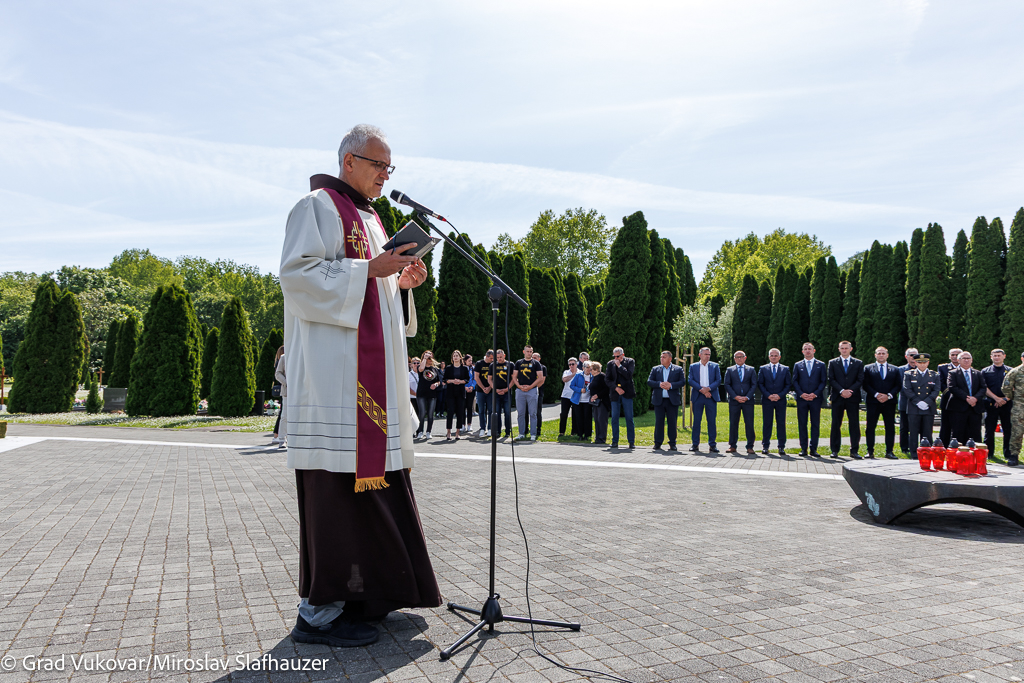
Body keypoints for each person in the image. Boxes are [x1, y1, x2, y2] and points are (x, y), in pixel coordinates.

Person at [279, 124, 439, 647]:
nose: (385, 175)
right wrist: (370, 269)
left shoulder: (372, 218)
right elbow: (297, 277)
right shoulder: (316, 207)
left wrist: (400, 281)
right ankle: (318, 615)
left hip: (373, 384)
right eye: (378, 165)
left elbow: (373, 287)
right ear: (349, 161)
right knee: (335, 499)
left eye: (390, 167)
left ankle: (368, 598)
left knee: (379, 489)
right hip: (334, 385)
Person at [862, 346, 901, 459]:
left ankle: (889, 451)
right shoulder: (868, 368)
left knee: (890, 427)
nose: (881, 355)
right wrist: (876, 394)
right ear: (875, 355)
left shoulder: (895, 369)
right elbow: (865, 384)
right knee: (870, 427)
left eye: (883, 353)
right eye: (879, 353)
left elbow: (898, 385)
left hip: (889, 402)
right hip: (873, 402)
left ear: (887, 355)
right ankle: (870, 451)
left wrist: (888, 396)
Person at [827, 341, 864, 458]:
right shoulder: (833, 362)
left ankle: (854, 450)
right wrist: (842, 391)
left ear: (851, 349)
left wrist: (850, 391)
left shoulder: (858, 363)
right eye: (842, 348)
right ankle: (834, 450)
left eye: (846, 348)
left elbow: (860, 379)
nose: (844, 350)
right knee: (836, 424)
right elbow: (831, 379)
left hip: (853, 398)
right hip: (838, 397)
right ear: (839, 349)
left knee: (854, 424)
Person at [902, 353, 940, 458]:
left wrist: (927, 402)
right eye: (919, 362)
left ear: (928, 363)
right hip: (914, 407)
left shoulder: (934, 375)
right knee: (913, 432)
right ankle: (914, 453)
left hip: (928, 407)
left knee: (927, 431)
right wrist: (918, 402)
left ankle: (927, 453)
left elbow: (936, 390)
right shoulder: (909, 374)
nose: (922, 364)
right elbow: (907, 389)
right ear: (915, 363)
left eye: (924, 362)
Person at [792, 342, 826, 457]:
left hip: (815, 399)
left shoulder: (821, 365)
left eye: (809, 349)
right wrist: (801, 394)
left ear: (814, 351)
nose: (807, 351)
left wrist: (815, 394)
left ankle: (813, 448)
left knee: (815, 424)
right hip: (802, 399)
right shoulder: (798, 365)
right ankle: (803, 448)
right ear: (802, 351)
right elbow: (795, 381)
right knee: (802, 424)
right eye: (805, 349)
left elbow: (823, 381)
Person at [647, 350, 684, 451]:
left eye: (664, 357)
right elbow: (649, 381)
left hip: (672, 401)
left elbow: (682, 382)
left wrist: (670, 385)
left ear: (670, 359)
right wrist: (660, 384)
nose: (661, 359)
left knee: (672, 422)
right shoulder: (655, 369)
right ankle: (657, 443)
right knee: (659, 422)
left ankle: (672, 443)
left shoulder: (678, 369)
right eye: (661, 357)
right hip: (659, 400)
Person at [756, 348, 790, 455]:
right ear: (769, 357)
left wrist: (779, 395)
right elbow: (760, 384)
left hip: (780, 400)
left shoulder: (785, 369)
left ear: (779, 357)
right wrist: (768, 395)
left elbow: (788, 384)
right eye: (772, 355)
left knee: (781, 423)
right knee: (767, 423)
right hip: (767, 400)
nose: (774, 357)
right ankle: (765, 446)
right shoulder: (763, 369)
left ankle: (781, 446)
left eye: (776, 355)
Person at [947, 351, 985, 443]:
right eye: (964, 358)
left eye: (968, 358)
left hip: (975, 408)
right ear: (958, 360)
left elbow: (983, 388)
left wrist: (975, 398)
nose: (966, 360)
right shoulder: (953, 373)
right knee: (958, 433)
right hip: (959, 408)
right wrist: (967, 398)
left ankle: (974, 451)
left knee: (975, 433)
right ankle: (959, 451)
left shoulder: (977, 373)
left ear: (971, 360)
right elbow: (952, 387)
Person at [688, 347, 721, 453]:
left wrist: (708, 389)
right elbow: (690, 380)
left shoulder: (715, 366)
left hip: (711, 396)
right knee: (696, 421)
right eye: (705, 354)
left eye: (709, 354)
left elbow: (718, 380)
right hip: (698, 396)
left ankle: (712, 445)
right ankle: (695, 444)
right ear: (700, 355)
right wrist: (702, 390)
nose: (707, 356)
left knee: (711, 421)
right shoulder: (693, 366)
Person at [981, 348, 1012, 461]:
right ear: (991, 357)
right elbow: (984, 387)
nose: (997, 357)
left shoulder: (1011, 371)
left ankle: (1008, 453)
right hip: (991, 404)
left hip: (1007, 404)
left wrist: (1004, 399)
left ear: (1004, 356)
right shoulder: (985, 371)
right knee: (989, 429)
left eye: (999, 355)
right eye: (994, 355)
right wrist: (996, 399)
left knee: (1008, 429)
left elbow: (1014, 387)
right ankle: (989, 453)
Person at [723, 350, 756, 454]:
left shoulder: (751, 369)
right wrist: (735, 397)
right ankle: (732, 446)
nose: (739, 358)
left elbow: (754, 384)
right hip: (734, 401)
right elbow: (727, 384)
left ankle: (750, 446)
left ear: (745, 358)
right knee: (733, 423)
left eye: (741, 356)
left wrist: (747, 397)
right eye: (737, 357)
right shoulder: (730, 370)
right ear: (734, 359)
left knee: (749, 423)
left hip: (748, 401)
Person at [607, 347, 637, 449]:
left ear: (622, 355)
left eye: (618, 356)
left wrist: (619, 366)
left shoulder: (630, 362)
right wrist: (616, 388)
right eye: (614, 356)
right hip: (615, 394)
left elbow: (628, 375)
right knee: (614, 418)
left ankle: (631, 441)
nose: (616, 358)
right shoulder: (610, 364)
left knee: (629, 418)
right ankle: (615, 441)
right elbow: (607, 379)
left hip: (627, 393)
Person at [513, 346, 544, 440]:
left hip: (532, 390)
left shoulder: (536, 363)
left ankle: (533, 434)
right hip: (520, 390)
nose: (529, 353)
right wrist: (519, 386)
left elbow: (540, 377)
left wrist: (530, 386)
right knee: (521, 413)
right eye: (528, 351)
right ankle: (521, 433)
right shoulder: (519, 362)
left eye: (531, 351)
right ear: (524, 352)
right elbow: (514, 376)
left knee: (533, 413)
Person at [999, 351, 1024, 467]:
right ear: (1022, 359)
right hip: (1019, 406)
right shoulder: (1015, 372)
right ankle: (1014, 455)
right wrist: (1013, 397)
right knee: (1017, 432)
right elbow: (1006, 387)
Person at [937, 348, 963, 445]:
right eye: (952, 355)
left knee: (960, 425)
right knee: (945, 426)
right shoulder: (943, 368)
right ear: (949, 356)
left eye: (957, 355)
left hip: (962, 401)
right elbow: (941, 383)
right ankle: (944, 446)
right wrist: (952, 395)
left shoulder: (966, 367)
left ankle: (959, 445)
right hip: (947, 400)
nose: (955, 357)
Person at [896, 347, 918, 454]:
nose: (913, 358)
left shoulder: (922, 368)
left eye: (915, 355)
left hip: (919, 403)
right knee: (904, 427)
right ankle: (904, 448)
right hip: (905, 401)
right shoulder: (900, 370)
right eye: (911, 355)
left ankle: (916, 446)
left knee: (917, 426)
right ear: (906, 357)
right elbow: (900, 386)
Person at [443, 350, 470, 440]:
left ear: (460, 357)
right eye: (454, 356)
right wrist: (451, 381)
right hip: (450, 392)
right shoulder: (448, 368)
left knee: (460, 412)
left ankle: (458, 432)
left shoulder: (464, 368)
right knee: (450, 411)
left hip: (460, 392)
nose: (455, 357)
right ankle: (448, 431)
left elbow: (467, 379)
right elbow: (445, 379)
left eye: (457, 355)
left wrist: (460, 381)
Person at [416, 352, 441, 439]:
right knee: (422, 413)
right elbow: (421, 369)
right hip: (421, 393)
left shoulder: (434, 369)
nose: (430, 360)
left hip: (432, 394)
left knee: (430, 413)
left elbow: (438, 381)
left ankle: (428, 431)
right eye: (428, 358)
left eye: (431, 358)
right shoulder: (420, 366)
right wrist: (425, 358)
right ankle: (420, 431)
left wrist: (436, 385)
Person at [570, 361, 594, 441]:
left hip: (588, 401)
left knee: (587, 418)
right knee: (579, 417)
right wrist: (580, 390)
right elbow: (572, 385)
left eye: (590, 368)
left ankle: (587, 434)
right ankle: (580, 434)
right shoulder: (578, 375)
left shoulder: (592, 376)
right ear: (583, 368)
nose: (589, 369)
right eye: (587, 367)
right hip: (578, 400)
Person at [492, 349, 514, 437]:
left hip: (507, 393)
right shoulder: (493, 365)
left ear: (504, 356)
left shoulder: (510, 364)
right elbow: (489, 379)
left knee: (507, 413)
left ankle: (508, 431)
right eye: (497, 357)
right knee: (497, 412)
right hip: (496, 393)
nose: (499, 359)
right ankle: (498, 431)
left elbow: (513, 378)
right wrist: (495, 389)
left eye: (501, 357)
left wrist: (507, 389)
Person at [474, 350, 494, 438]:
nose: (492, 360)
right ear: (487, 356)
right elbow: (476, 377)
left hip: (491, 390)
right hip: (480, 390)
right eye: (491, 358)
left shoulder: (493, 364)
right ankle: (482, 428)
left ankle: (490, 428)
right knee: (481, 410)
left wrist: (489, 387)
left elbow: (494, 377)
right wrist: (483, 388)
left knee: (491, 410)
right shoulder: (479, 364)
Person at [559, 358, 581, 436]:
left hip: (575, 395)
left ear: (576, 364)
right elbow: (564, 379)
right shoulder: (566, 372)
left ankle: (574, 432)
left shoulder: (580, 372)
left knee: (575, 414)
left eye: (573, 364)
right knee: (564, 414)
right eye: (570, 364)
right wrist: (573, 374)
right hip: (566, 396)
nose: (571, 366)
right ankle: (562, 432)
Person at [590, 361, 610, 444]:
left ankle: (602, 438)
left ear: (596, 369)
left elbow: (606, 389)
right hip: (595, 402)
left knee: (601, 420)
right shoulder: (594, 377)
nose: (590, 371)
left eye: (591, 369)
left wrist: (597, 395)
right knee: (597, 419)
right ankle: (597, 437)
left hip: (602, 402)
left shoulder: (602, 377)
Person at [273, 346, 287, 448]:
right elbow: (278, 374)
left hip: (301, 391)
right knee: (285, 416)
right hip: (287, 392)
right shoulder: (284, 357)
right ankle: (282, 439)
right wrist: (286, 382)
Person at [533, 351, 547, 436]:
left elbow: (542, 380)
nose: (534, 359)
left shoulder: (543, 367)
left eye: (535, 358)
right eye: (533, 357)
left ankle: (538, 429)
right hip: (528, 391)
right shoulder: (529, 366)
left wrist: (532, 388)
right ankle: (526, 429)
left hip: (538, 392)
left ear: (539, 359)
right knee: (527, 411)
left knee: (538, 412)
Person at [463, 354, 475, 434]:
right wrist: (465, 387)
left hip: (471, 389)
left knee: (469, 407)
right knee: (462, 407)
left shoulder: (473, 368)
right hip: (463, 389)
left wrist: (472, 386)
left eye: (471, 360)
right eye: (469, 361)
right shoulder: (462, 368)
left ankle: (469, 424)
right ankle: (462, 424)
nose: (470, 362)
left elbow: (475, 378)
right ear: (465, 361)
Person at [408, 357, 419, 432]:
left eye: (418, 363)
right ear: (411, 365)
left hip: (421, 397)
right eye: (414, 363)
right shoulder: (408, 374)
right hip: (412, 397)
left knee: (420, 414)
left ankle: (419, 431)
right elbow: (407, 387)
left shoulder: (422, 374)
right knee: (413, 415)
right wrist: (415, 394)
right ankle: (413, 431)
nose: (416, 364)